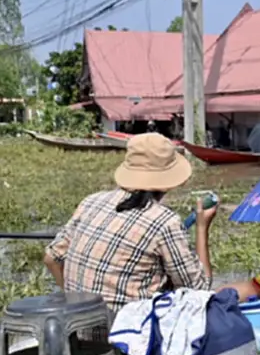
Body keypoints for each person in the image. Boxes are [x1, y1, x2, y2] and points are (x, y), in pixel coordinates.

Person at [43, 133, 216, 312]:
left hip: (77, 324)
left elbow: (51, 258)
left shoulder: (91, 201)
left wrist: (73, 301)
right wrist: (202, 227)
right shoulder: (165, 222)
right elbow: (199, 290)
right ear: (168, 181)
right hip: (129, 334)